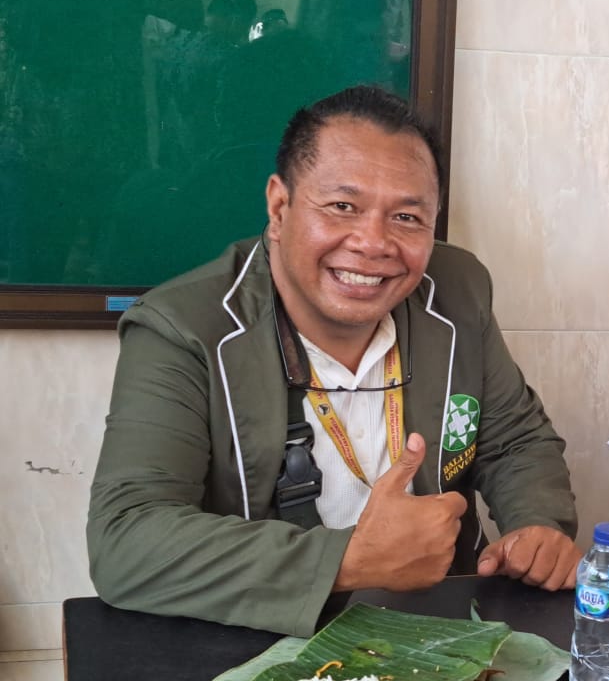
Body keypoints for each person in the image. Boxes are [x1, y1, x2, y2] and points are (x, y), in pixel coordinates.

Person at [88, 85, 582, 635]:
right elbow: (127, 541)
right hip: (264, 649)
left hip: (441, 635)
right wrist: (348, 560)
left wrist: (537, 526)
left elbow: (515, 440)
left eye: (407, 218)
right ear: (280, 207)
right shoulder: (183, 328)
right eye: (342, 206)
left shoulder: (459, 291)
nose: (374, 244)